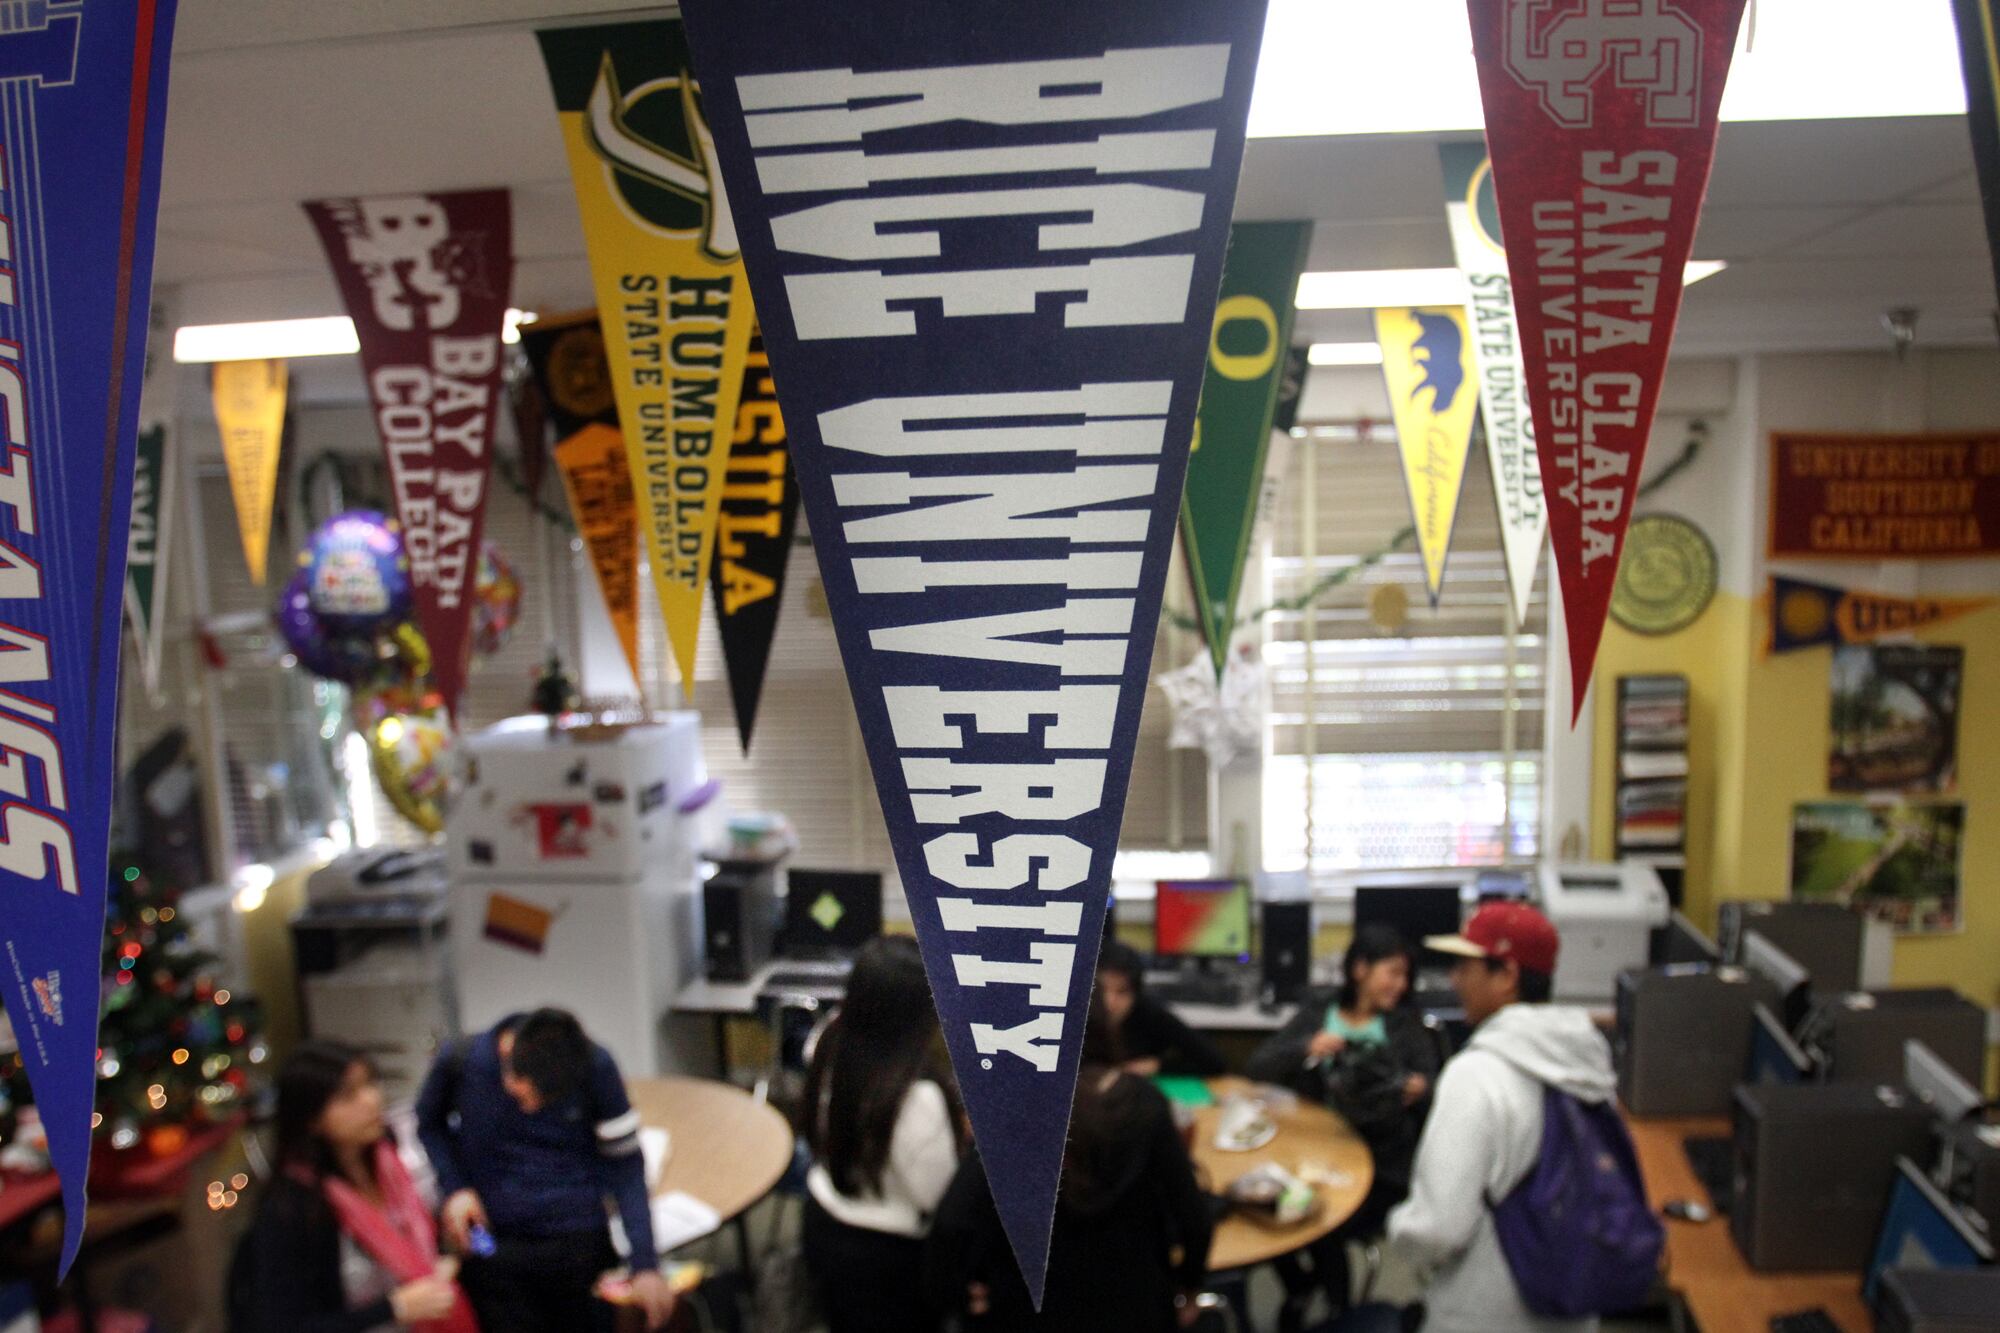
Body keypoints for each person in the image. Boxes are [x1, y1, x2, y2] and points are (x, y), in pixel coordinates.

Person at [1387, 902, 1616, 1333]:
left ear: (1507, 975)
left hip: (1485, 1312)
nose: (1454, 980)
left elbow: (1437, 1229)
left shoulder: (1475, 1076)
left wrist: (1398, 1226)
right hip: (1571, 1308)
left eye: (1465, 967)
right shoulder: (1590, 1067)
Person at [925, 999, 1214, 1332]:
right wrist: (1189, 1284)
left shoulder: (1013, 1113)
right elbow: (1193, 1217)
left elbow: (952, 1223)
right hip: (1135, 1304)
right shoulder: (1145, 1103)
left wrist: (956, 1297)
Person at [414, 1009, 675, 1333]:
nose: (534, 1107)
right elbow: (428, 1124)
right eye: (526, 1093)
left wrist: (645, 1264)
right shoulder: (462, 1061)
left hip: (578, 1245)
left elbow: (626, 1165)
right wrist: (455, 1188)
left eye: (548, 1099)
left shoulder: (594, 1063)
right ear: (506, 1056)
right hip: (492, 1244)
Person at [1246, 924, 1442, 1313]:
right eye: (1392, 973)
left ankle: (1338, 1311)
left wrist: (1421, 1088)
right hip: (1316, 1152)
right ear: (1360, 969)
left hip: (1380, 1165)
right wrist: (1307, 1047)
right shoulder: (1321, 1013)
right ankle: (1301, 1287)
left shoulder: (1406, 1025)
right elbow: (1258, 1067)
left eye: (1405, 976)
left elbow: (1440, 1090)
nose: (1401, 985)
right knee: (1262, 1206)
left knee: (1321, 1221)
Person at [236, 1041, 475, 1332]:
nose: (372, 1100)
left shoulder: (390, 1162)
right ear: (311, 1119)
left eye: (370, 1084)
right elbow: (285, 1325)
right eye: (348, 1095)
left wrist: (451, 1250)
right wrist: (393, 1308)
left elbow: (434, 1242)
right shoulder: (293, 1206)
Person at [800, 935, 964, 1333]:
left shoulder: (826, 1043)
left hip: (822, 1220)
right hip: (888, 1261)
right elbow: (937, 1198)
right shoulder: (917, 1096)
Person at [1096, 940, 1228, 1078]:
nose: (1109, 1002)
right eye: (1100, 989)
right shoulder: (1081, 1014)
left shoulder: (1149, 1013)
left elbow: (1214, 1062)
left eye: (1122, 991)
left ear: (1136, 994)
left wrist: (1158, 1065)